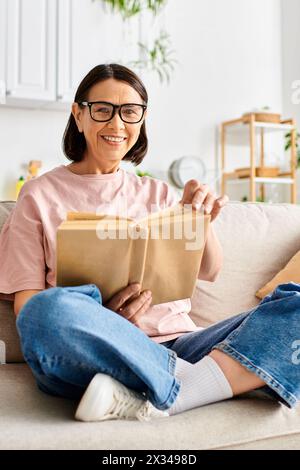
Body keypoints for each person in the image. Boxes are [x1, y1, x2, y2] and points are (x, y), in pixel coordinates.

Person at [0, 63, 299, 423]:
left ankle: (172, 392)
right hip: (99, 347)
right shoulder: (38, 194)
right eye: (102, 110)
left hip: (181, 344)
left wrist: (198, 220)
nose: (117, 125)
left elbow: (209, 269)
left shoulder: (156, 191)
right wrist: (103, 319)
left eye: (130, 112)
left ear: (141, 119)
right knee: (43, 313)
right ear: (78, 115)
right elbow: (26, 305)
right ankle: (202, 383)